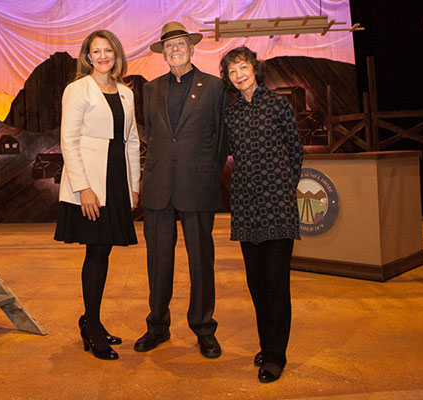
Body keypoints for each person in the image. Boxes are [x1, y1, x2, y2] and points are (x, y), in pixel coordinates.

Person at [134, 21, 228, 359]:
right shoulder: (151, 88)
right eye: (169, 46)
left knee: (201, 261)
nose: (175, 50)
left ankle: (204, 328)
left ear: (192, 49)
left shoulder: (215, 87)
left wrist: (205, 173)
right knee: (158, 262)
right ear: (163, 53)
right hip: (159, 188)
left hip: (198, 186)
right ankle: (157, 325)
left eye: (181, 44)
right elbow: (156, 139)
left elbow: (221, 140)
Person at [54, 30, 141, 361]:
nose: (103, 56)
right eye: (96, 51)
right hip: (91, 183)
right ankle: (91, 327)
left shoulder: (126, 93)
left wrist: (133, 185)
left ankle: (92, 320)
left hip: (117, 179)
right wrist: (83, 187)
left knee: (104, 251)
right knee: (95, 252)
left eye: (108, 50)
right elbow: (68, 139)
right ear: (87, 57)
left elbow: (131, 141)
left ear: (116, 55)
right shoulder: (77, 90)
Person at [220, 47, 303, 383]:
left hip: (278, 207)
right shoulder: (232, 113)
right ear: (227, 78)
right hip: (245, 208)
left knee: (276, 283)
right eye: (232, 71)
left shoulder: (278, 104)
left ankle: (275, 357)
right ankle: (267, 344)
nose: (239, 74)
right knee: (256, 283)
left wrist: (282, 187)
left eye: (243, 67)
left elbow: (295, 151)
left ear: (255, 68)